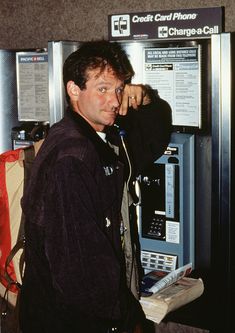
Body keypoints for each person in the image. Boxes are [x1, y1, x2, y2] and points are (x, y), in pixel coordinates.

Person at [19, 40, 172, 333]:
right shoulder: (73, 158)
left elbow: (154, 137)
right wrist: (127, 322)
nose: (114, 101)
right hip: (71, 321)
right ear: (74, 90)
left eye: (118, 89)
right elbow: (81, 269)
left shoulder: (102, 142)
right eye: (102, 89)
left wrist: (146, 98)